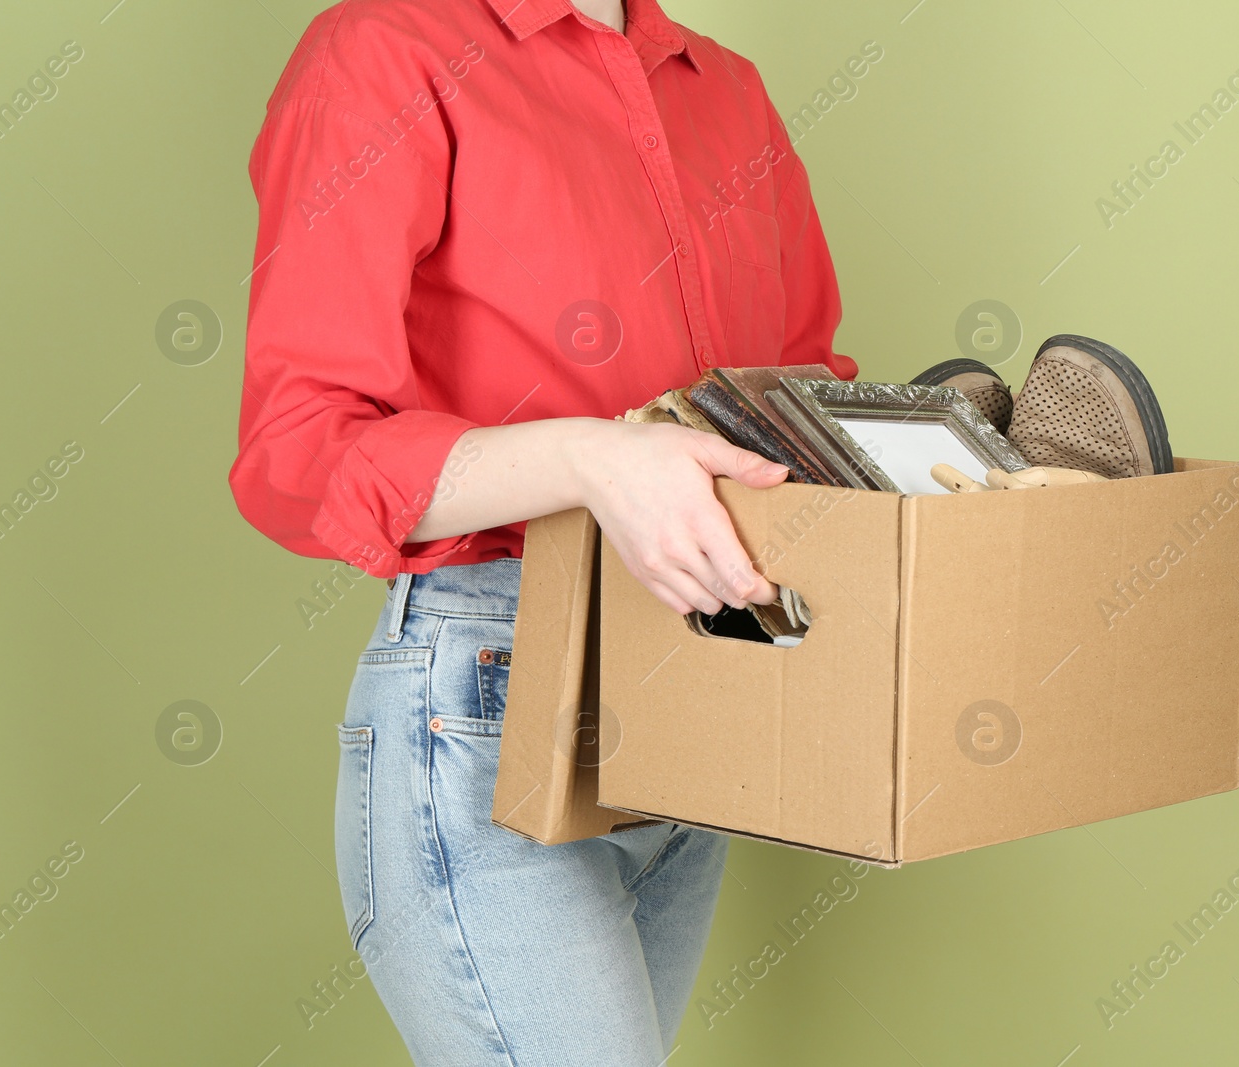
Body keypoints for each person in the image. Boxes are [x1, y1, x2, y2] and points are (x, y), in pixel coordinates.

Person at [227, 0, 855, 1063]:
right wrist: (590, 458)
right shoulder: (383, 53)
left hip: (701, 697)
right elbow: (297, 451)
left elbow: (796, 394)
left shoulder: (728, 93)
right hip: (489, 706)